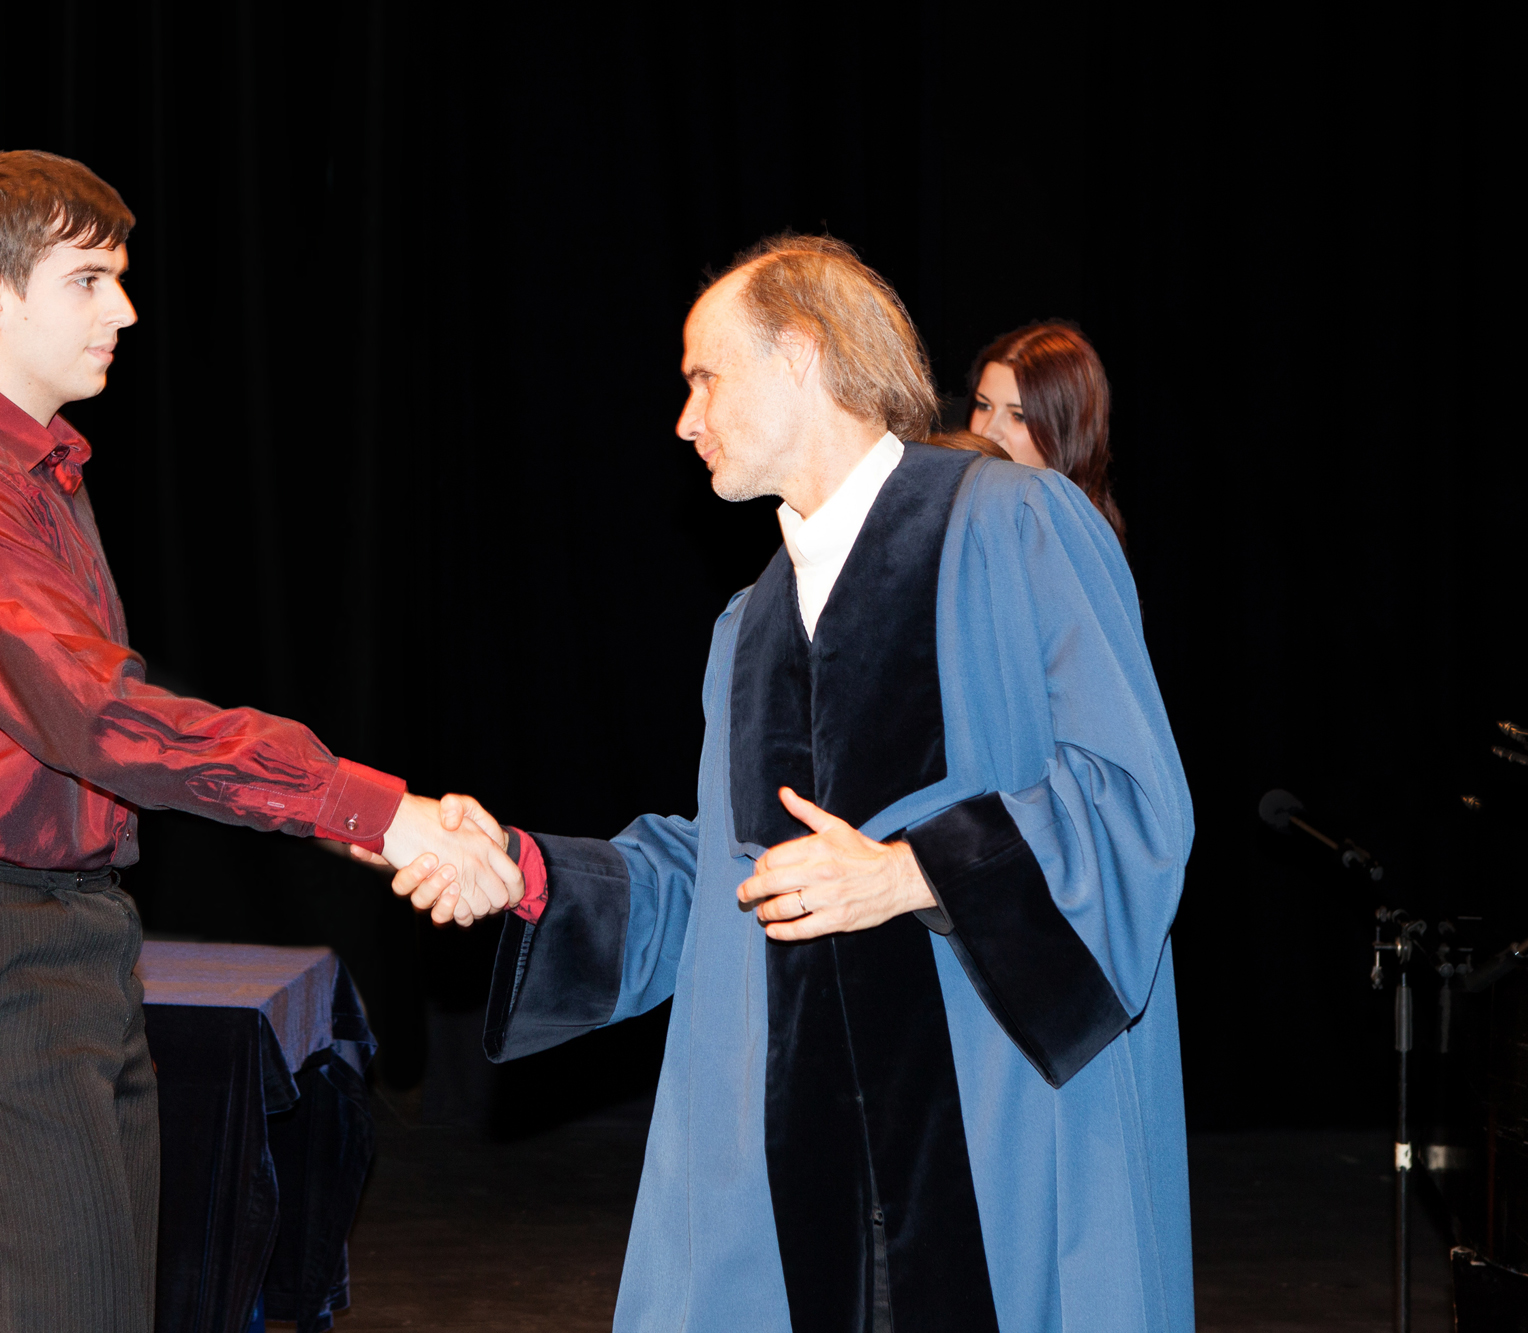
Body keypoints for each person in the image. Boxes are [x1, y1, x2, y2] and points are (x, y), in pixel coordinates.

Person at [399, 235, 1193, 1331]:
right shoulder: (749, 624)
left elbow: (1128, 796)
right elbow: (719, 872)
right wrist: (523, 876)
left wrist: (913, 873)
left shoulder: (1013, 524)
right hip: (800, 1144)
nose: (684, 420)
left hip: (986, 1123)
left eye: (702, 377)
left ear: (802, 355)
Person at [0, 149, 520, 1333]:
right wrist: (373, 810)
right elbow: (96, 716)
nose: (127, 310)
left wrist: (358, 826)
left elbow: (105, 718)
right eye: (91, 279)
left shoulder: (37, 473)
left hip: (69, 937)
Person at [967, 321, 1126, 543]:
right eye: (983, 406)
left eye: (1018, 416)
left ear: (1065, 432)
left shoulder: (1078, 543)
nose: (988, 431)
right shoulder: (961, 512)